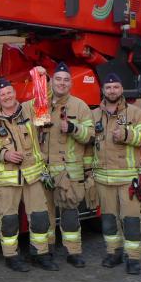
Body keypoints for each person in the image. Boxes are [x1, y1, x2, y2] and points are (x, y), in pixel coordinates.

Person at [0, 77, 58, 272]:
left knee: (40, 218)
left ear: (15, 93)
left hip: (33, 177)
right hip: (7, 180)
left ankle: (40, 255)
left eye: (9, 92)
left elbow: (46, 97)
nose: (7, 97)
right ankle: (11, 257)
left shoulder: (29, 110)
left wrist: (42, 78)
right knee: (9, 221)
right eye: (2, 94)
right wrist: (4, 154)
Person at [91, 73, 141, 275]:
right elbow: (86, 142)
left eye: (116, 87)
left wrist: (127, 135)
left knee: (131, 220)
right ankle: (113, 253)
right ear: (103, 90)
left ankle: (133, 258)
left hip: (128, 180)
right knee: (108, 219)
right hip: (103, 179)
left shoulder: (135, 113)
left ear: (121, 90)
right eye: (108, 88)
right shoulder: (94, 115)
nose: (112, 91)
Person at [35, 63, 94, 268]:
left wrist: (72, 128)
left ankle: (73, 252)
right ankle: (47, 251)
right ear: (52, 81)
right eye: (58, 79)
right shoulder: (41, 105)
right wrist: (38, 79)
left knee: (69, 215)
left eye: (66, 80)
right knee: (44, 215)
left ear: (71, 83)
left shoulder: (80, 106)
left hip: (68, 173)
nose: (62, 83)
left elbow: (90, 136)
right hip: (44, 172)